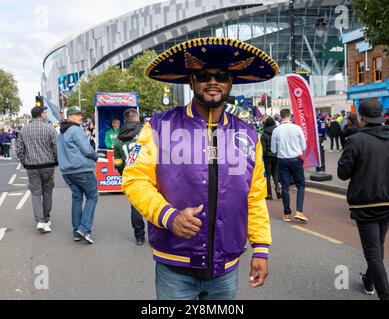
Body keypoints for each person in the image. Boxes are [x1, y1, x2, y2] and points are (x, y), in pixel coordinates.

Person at [122, 37, 276, 300]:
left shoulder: (248, 134)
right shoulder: (159, 126)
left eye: (222, 76)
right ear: (192, 81)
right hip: (175, 268)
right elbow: (134, 180)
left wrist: (261, 247)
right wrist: (168, 216)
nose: (213, 82)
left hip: (226, 270)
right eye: (204, 75)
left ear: (230, 83)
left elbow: (255, 195)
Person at [337, 100, 389, 300]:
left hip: (366, 202)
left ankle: (385, 296)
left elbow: (343, 173)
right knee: (377, 244)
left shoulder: (355, 140)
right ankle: (369, 280)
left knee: (372, 251)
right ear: (381, 117)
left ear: (362, 118)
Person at [57, 106, 98, 244]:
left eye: (81, 114)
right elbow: (87, 150)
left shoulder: (61, 133)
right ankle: (84, 228)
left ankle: (76, 233)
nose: (81, 117)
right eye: (77, 115)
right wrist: (96, 156)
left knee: (77, 199)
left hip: (67, 171)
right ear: (70, 117)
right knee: (92, 196)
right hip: (82, 169)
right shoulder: (76, 130)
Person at [16, 106, 58, 233]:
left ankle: (40, 221)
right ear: (41, 114)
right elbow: (56, 147)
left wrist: (25, 162)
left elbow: (19, 150)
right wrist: (56, 161)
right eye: (44, 112)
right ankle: (46, 219)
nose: (45, 114)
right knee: (47, 192)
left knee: (35, 193)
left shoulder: (23, 130)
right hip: (48, 165)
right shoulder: (50, 129)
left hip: (32, 167)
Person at [113, 109, 145, 245]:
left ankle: (139, 237)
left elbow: (118, 162)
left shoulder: (119, 138)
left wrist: (123, 173)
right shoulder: (144, 132)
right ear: (137, 118)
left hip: (131, 176)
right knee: (157, 204)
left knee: (136, 207)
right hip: (148, 173)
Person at [271, 109, 308, 222]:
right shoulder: (297, 128)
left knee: (285, 186)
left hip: (282, 160)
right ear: (290, 116)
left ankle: (287, 213)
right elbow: (304, 147)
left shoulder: (276, 130)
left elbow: (273, 150)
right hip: (296, 159)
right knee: (300, 185)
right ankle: (299, 211)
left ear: (280, 117)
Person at [261, 116, 281, 200]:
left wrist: (264, 155)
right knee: (275, 174)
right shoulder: (277, 132)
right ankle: (278, 190)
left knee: (268, 175)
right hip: (276, 155)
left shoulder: (264, 133)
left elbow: (263, 148)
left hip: (267, 156)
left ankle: (269, 194)